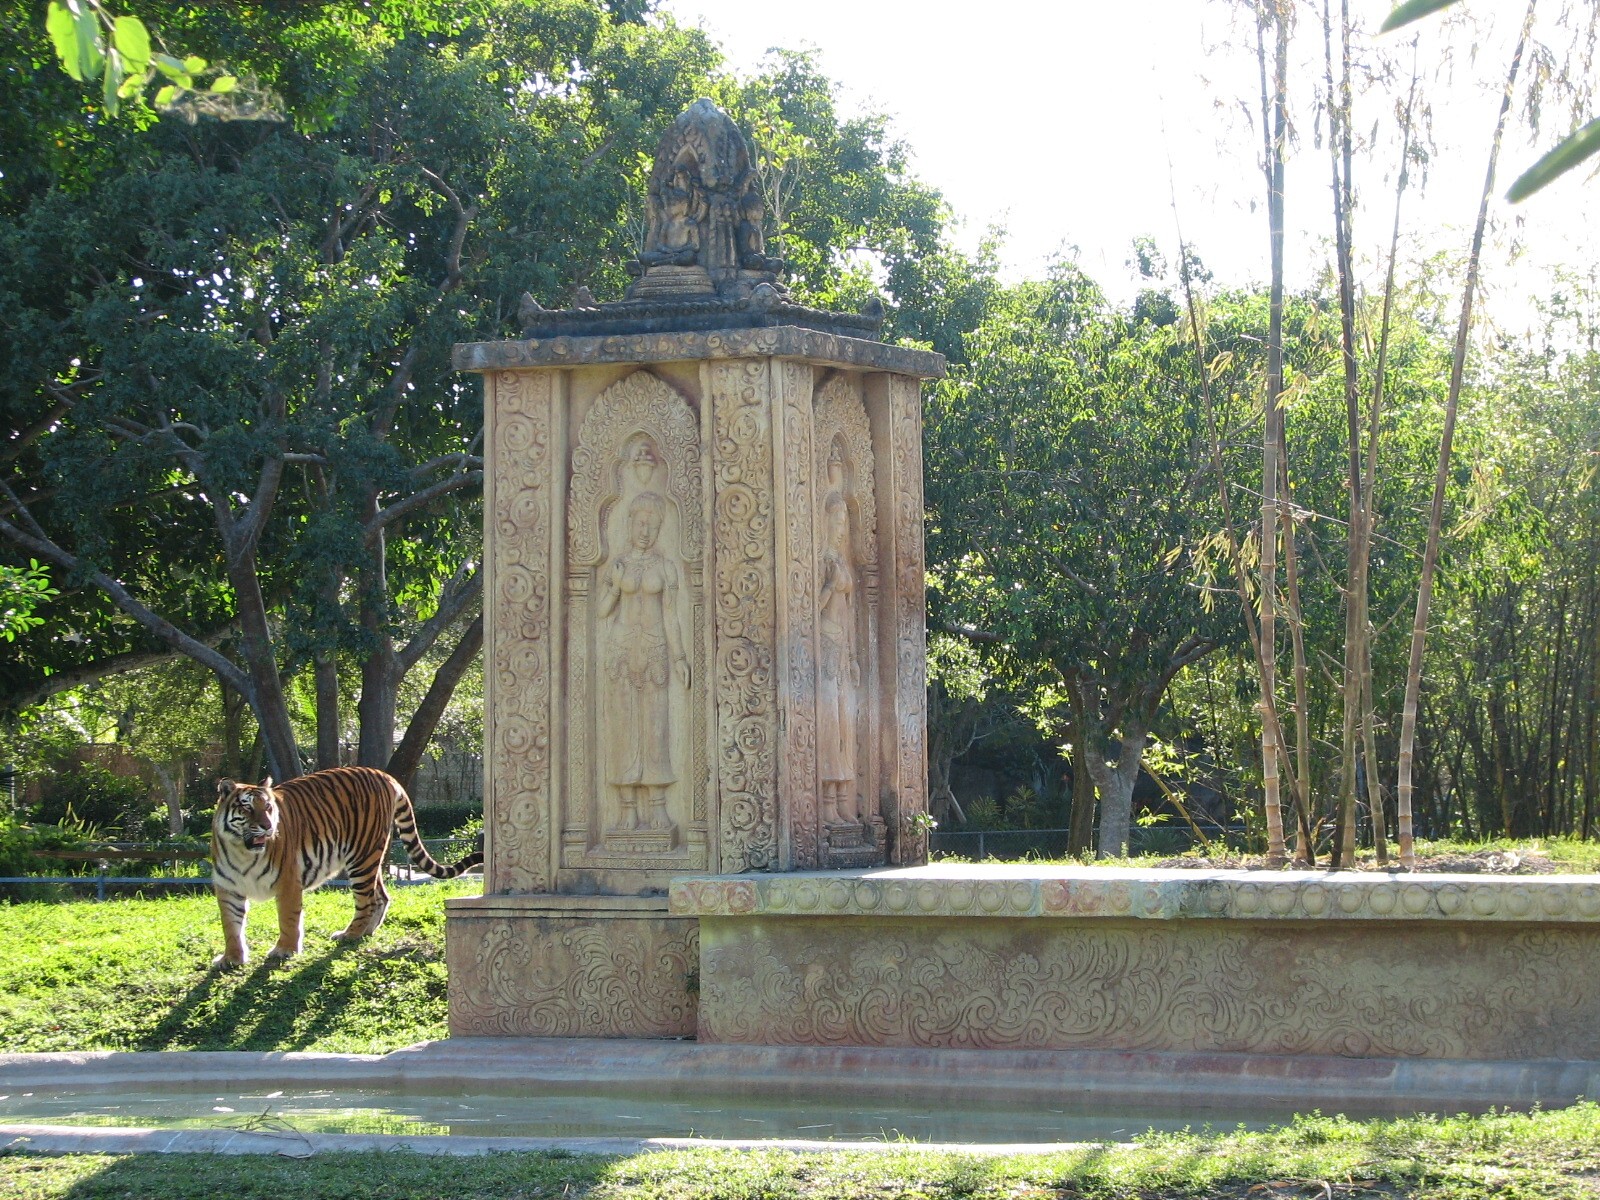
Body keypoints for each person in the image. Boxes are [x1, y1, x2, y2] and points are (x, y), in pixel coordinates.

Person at [596, 492, 689, 834]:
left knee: (655, 728)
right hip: (621, 652)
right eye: (640, 522)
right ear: (630, 523)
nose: (645, 529)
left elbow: (671, 616)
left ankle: (659, 809)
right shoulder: (618, 565)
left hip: (655, 652)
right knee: (623, 730)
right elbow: (602, 610)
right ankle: (626, 811)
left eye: (652, 523)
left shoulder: (664, 567)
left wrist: (680, 657)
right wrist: (617, 586)